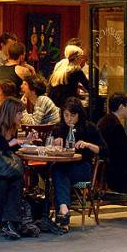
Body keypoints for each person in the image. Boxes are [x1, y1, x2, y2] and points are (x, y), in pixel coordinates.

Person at [0, 97, 36, 240]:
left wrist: (25, 142)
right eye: (19, 113)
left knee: (14, 179)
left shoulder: (12, 129)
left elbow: (13, 147)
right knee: (5, 181)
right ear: (11, 113)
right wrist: (11, 143)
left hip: (6, 168)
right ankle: (8, 223)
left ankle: (7, 223)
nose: (22, 116)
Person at [48, 97, 106, 232]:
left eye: (72, 115)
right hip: (63, 167)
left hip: (82, 167)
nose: (69, 119)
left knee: (58, 173)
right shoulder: (59, 128)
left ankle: (63, 214)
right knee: (58, 170)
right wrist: (54, 142)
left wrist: (88, 145)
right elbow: (48, 146)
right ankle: (64, 211)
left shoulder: (89, 128)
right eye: (66, 115)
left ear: (79, 114)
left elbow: (104, 150)